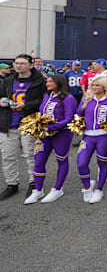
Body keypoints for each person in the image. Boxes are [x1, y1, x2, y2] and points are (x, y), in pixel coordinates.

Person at [24, 75, 78, 204]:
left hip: (62, 134)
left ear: (59, 83)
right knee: (38, 161)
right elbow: (42, 114)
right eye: (47, 81)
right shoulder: (47, 96)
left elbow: (69, 119)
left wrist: (51, 127)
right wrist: (36, 124)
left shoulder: (69, 98)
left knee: (61, 160)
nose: (47, 83)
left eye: (50, 81)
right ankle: (37, 190)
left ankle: (58, 189)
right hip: (43, 135)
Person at [0, 54, 47, 200]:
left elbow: (44, 101)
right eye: (16, 63)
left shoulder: (41, 81)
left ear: (31, 65)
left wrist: (26, 105)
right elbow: (1, 96)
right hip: (9, 123)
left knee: (30, 156)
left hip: (30, 122)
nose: (18, 66)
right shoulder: (8, 80)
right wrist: (2, 100)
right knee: (7, 156)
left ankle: (34, 184)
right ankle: (12, 184)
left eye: (22, 63)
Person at [76, 76, 107, 203]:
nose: (94, 87)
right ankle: (87, 187)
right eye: (93, 85)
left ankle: (99, 190)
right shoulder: (87, 100)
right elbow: (78, 115)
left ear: (105, 87)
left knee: (103, 163)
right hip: (88, 136)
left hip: (105, 137)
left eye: (97, 85)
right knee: (81, 163)